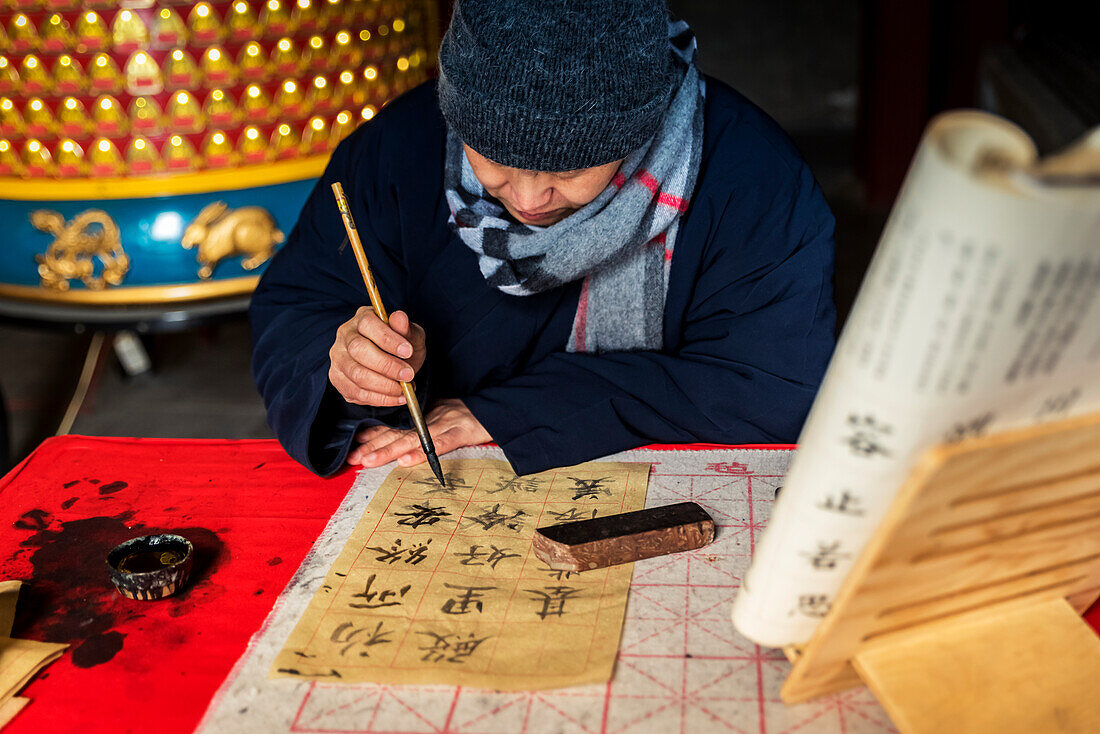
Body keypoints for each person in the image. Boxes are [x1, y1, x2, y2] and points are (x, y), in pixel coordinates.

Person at [250, 0, 837, 478]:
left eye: (570, 170)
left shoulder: (751, 179)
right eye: (495, 160)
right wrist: (349, 365)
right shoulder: (398, 149)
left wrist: (521, 413)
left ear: (639, 127)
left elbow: (773, 390)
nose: (529, 200)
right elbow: (296, 304)